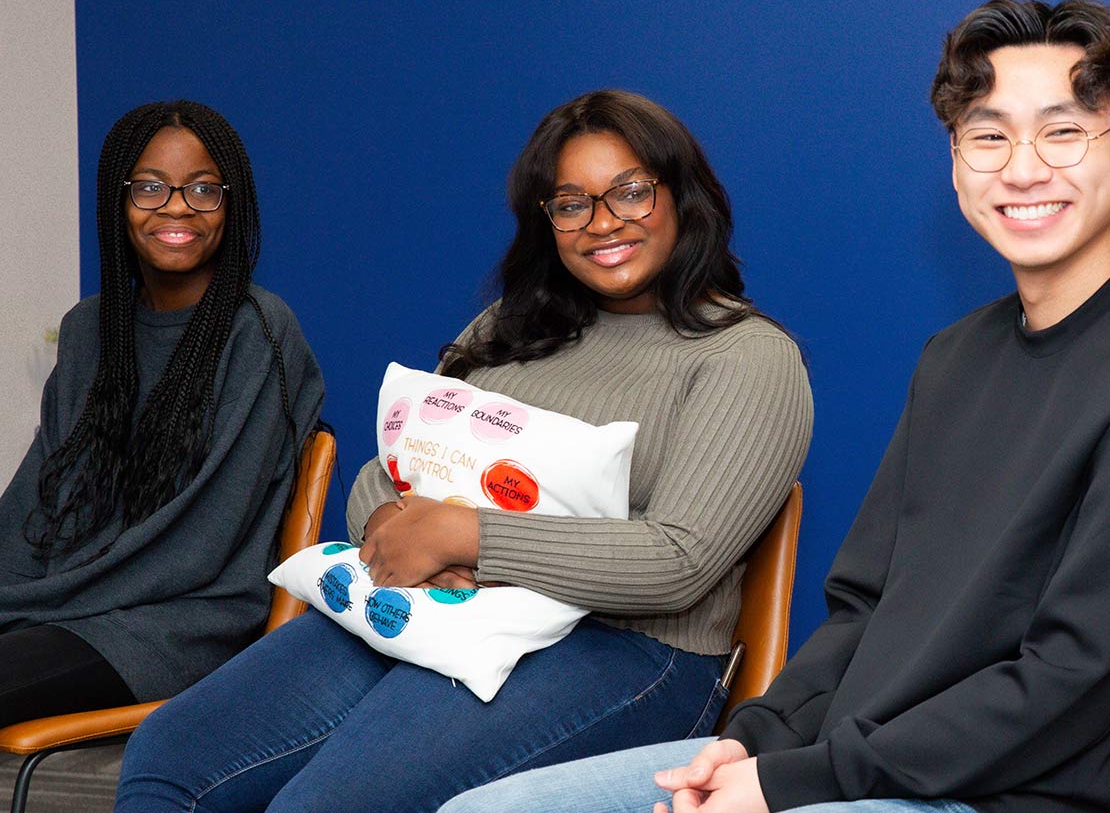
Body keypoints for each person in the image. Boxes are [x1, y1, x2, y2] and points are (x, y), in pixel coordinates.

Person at [442, 0, 1110, 813]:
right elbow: (865, 605)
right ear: (957, 156)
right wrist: (753, 740)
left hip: (993, 794)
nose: (1024, 167)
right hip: (849, 763)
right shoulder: (956, 357)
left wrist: (792, 780)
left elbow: (1073, 682)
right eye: (989, 134)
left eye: (1064, 131)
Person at [116, 89, 813, 813]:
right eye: (571, 203)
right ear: (546, 222)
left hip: (629, 651)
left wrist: (470, 536)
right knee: (173, 752)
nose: (603, 223)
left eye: (631, 193)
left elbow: (679, 562)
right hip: (443, 608)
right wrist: (408, 536)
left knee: (331, 802)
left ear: (682, 196)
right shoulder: (508, 327)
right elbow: (384, 476)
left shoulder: (746, 356)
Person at [0, 100, 324, 727]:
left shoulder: (259, 330)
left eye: (203, 189)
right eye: (149, 187)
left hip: (181, 625)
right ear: (117, 202)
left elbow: (205, 539)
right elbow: (39, 499)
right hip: (74, 609)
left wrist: (45, 602)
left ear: (232, 205)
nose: (176, 207)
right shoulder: (90, 329)